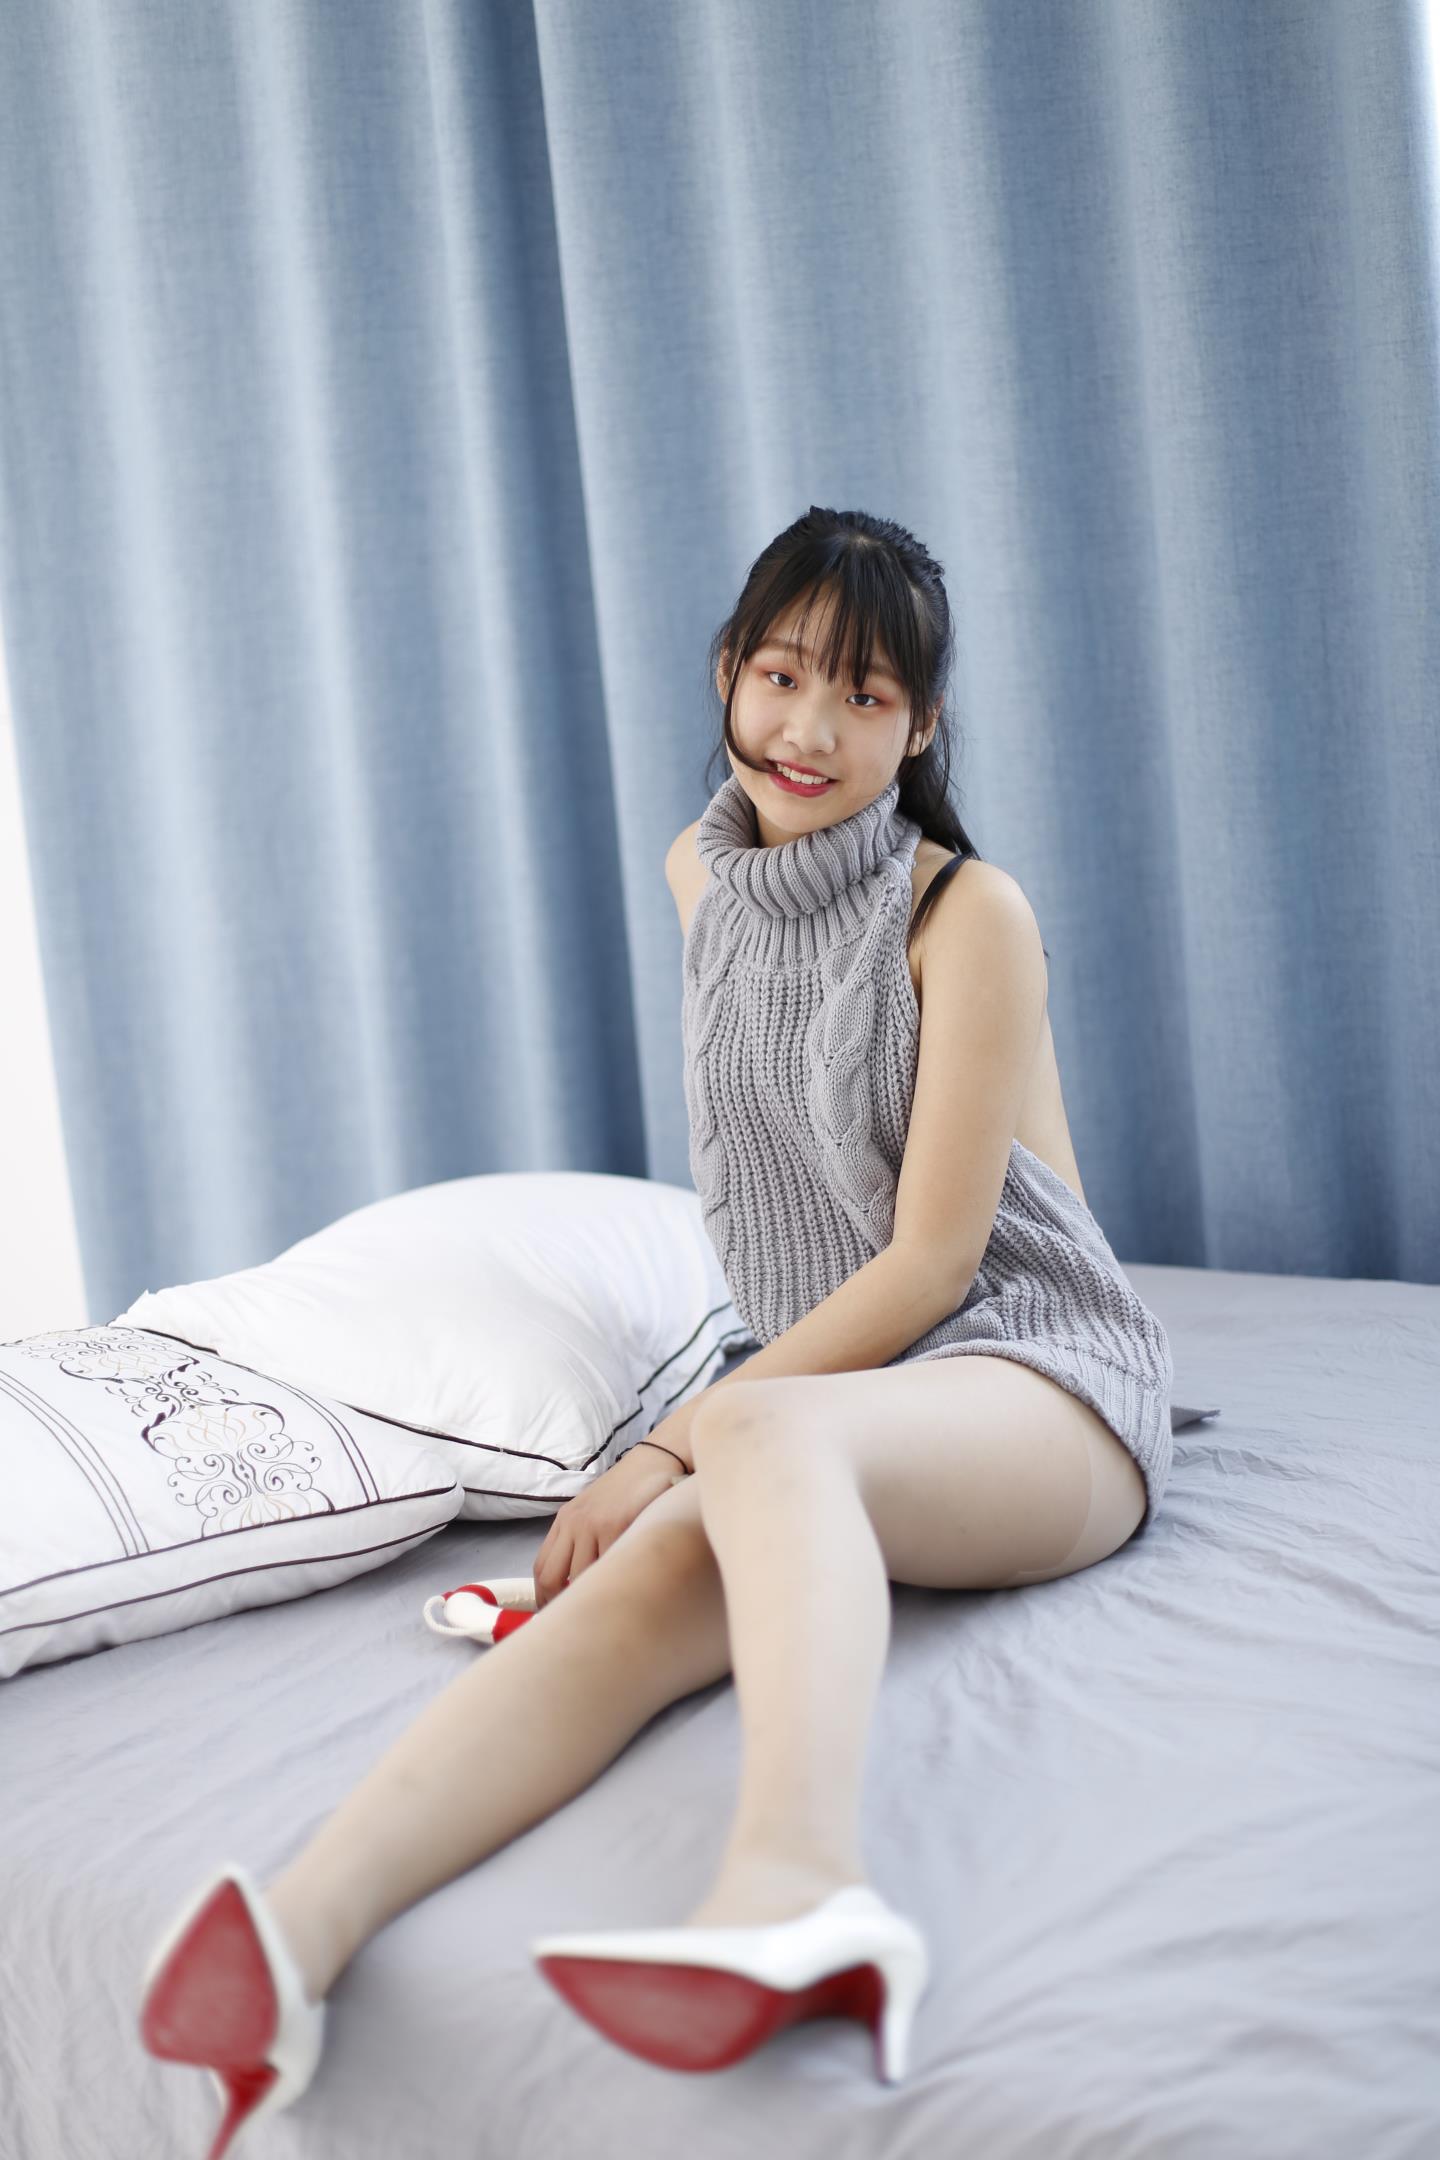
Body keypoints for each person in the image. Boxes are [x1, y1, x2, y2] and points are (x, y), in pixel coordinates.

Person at [136, 504, 1175, 2141]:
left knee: (740, 1434)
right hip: (840, 1417)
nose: (811, 728)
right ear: (727, 672)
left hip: (1039, 1378)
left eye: (866, 695)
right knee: (629, 1600)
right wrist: (699, 1457)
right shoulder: (701, 874)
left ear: (922, 727)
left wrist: (669, 1444)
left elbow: (929, 1267)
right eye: (782, 675)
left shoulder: (967, 912)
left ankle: (806, 1886)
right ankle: (298, 1937)